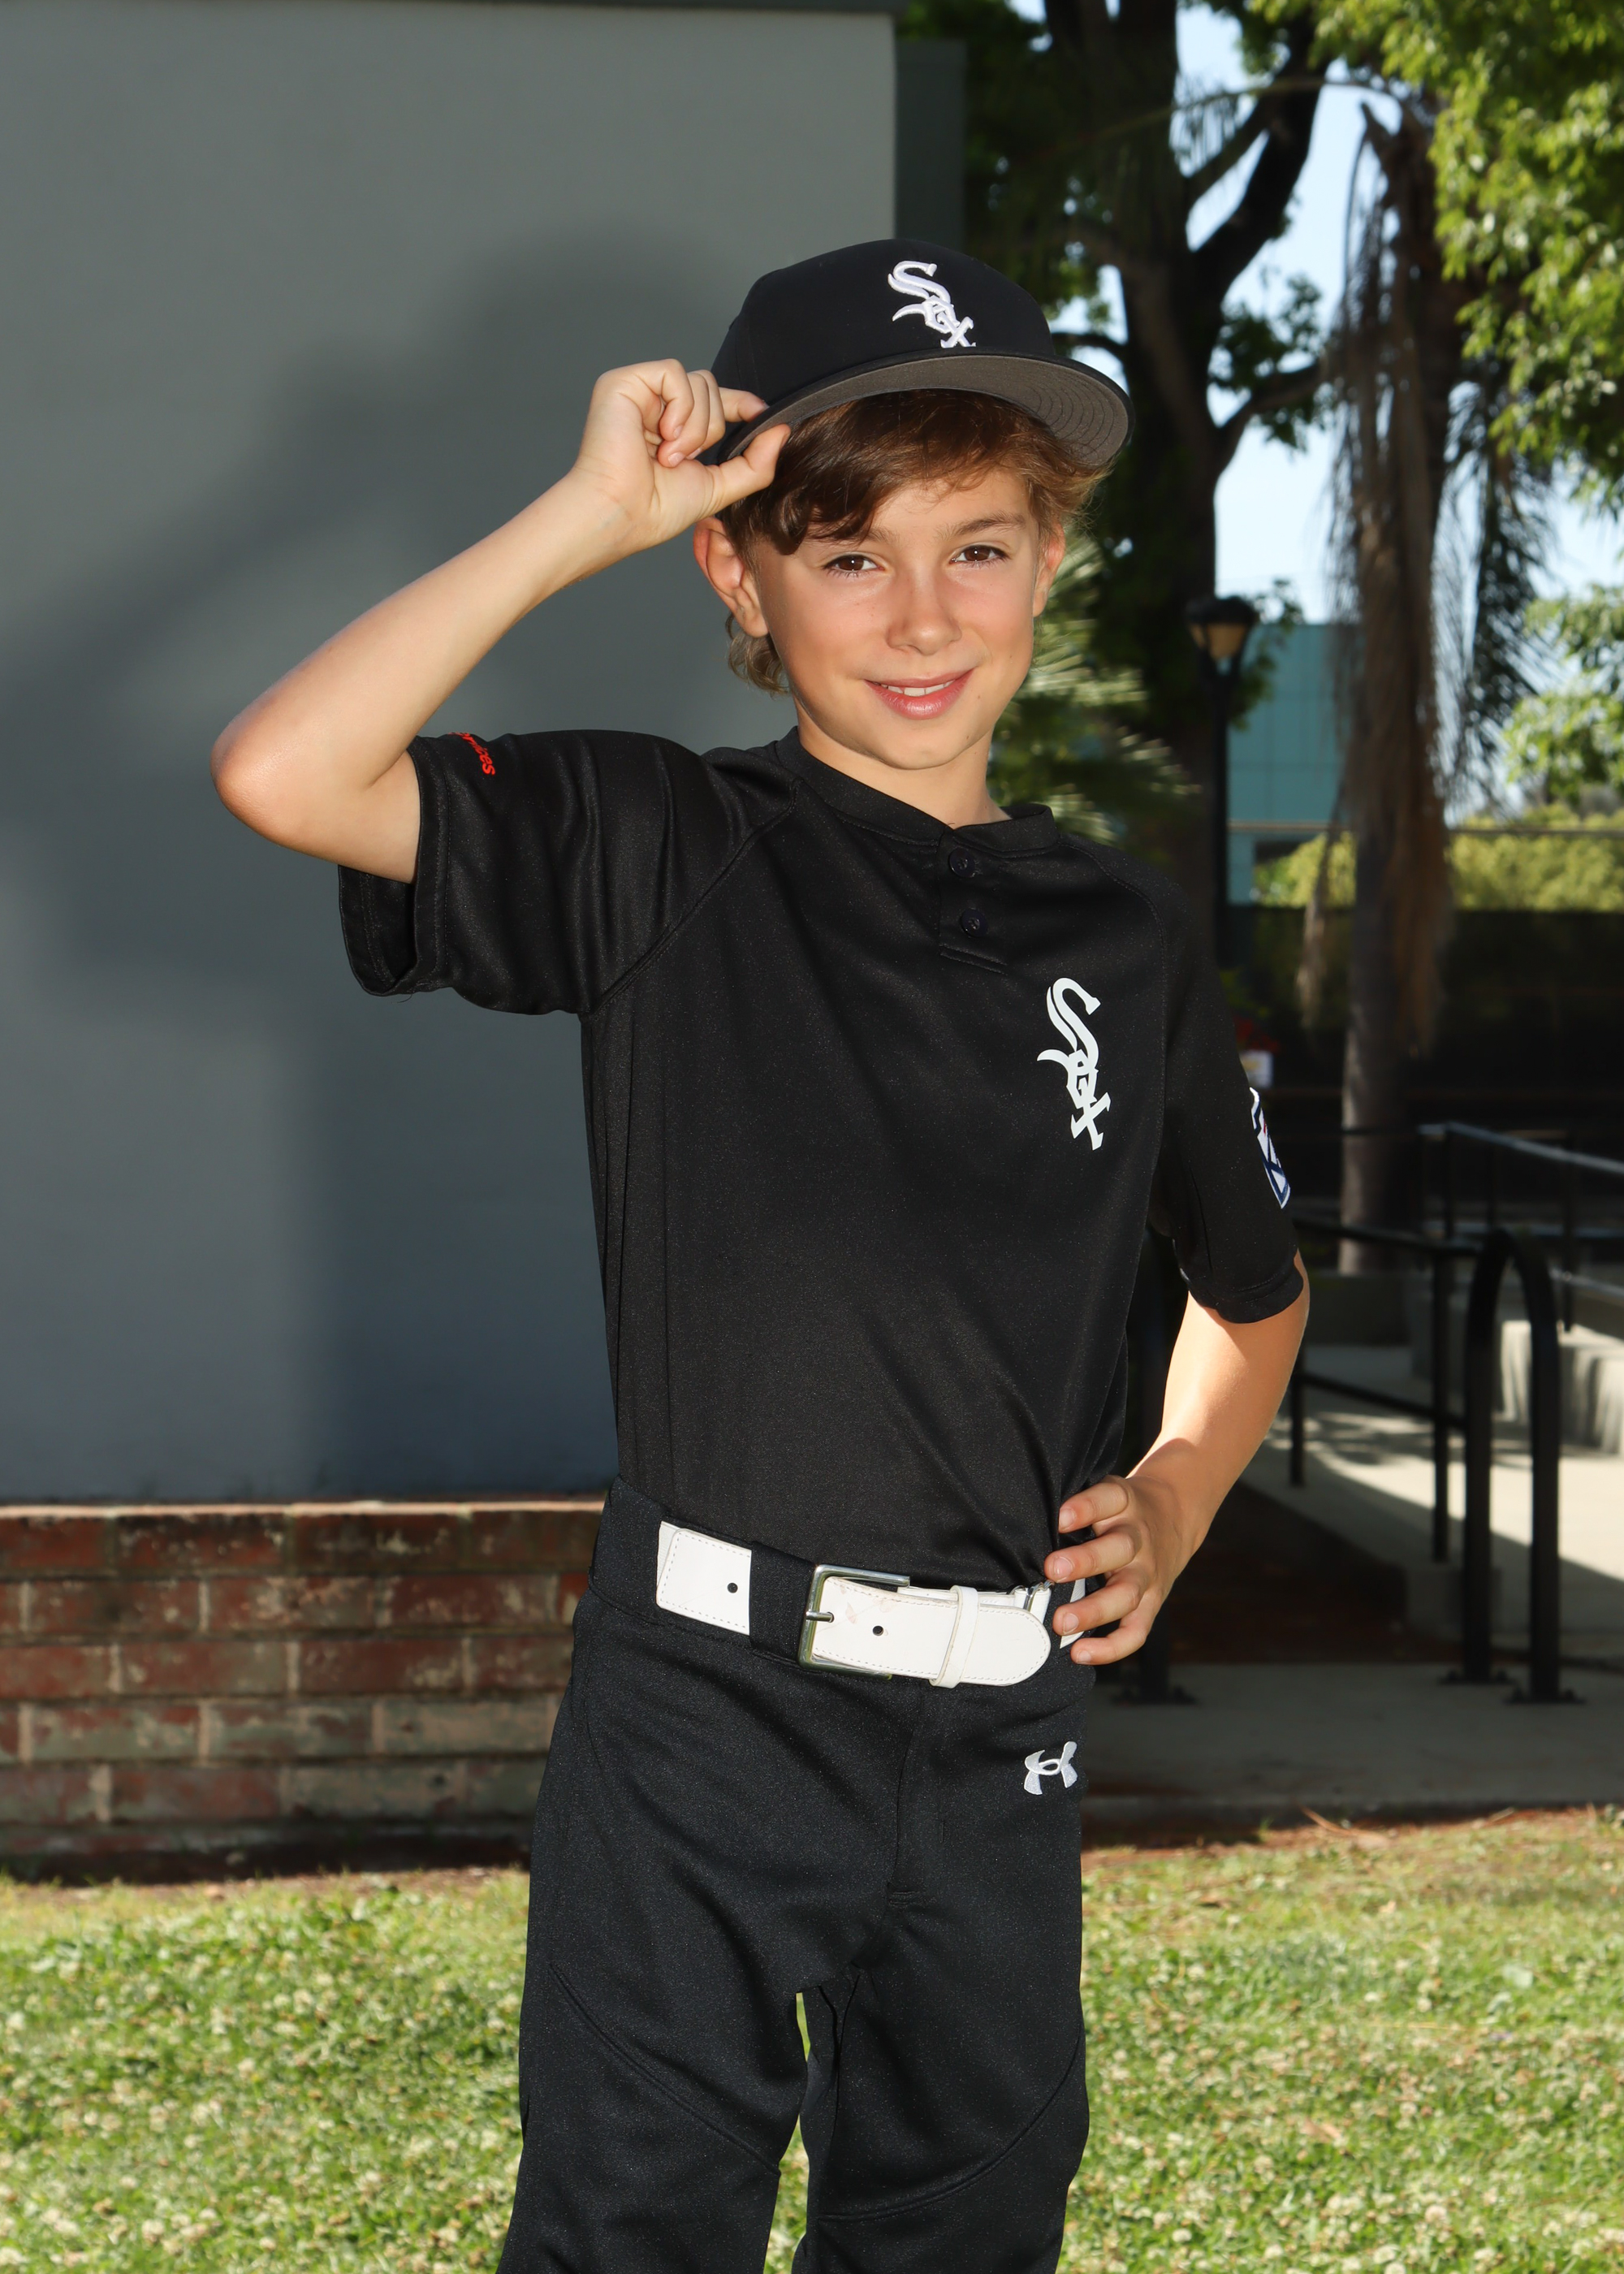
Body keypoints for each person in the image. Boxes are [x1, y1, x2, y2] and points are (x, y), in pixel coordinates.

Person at [213, 239, 1308, 2274]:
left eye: (979, 549)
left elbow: (1254, 1294)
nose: (923, 616)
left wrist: (1174, 1490)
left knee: (966, 2230)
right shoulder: (660, 842)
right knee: (634, 2229)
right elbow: (287, 771)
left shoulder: (1126, 934)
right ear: (738, 572)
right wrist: (586, 515)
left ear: (1051, 561)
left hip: (999, 1736)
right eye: (849, 556)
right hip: (704, 1713)